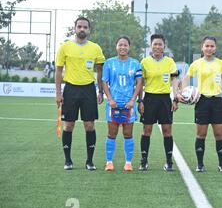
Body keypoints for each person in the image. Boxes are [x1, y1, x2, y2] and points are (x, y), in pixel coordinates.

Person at [55, 17, 105, 170]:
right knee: (68, 125)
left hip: (88, 90)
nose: (82, 29)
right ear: (75, 28)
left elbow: (100, 71)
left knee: (89, 125)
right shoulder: (65, 47)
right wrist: (58, 93)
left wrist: (100, 91)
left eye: (85, 27)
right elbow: (58, 70)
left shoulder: (95, 48)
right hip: (70, 89)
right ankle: (68, 161)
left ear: (89, 30)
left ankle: (89, 161)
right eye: (79, 26)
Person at [178, 36, 222, 173]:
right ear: (202, 47)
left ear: (215, 48)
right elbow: (185, 79)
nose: (209, 48)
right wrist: (183, 93)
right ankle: (200, 164)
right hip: (202, 101)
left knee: (219, 134)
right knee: (201, 134)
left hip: (217, 101)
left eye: (212, 46)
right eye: (206, 46)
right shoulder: (196, 64)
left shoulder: (221, 64)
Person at [138, 34, 180, 171]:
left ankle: (169, 162)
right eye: (155, 44)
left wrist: (175, 98)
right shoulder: (144, 62)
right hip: (149, 98)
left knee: (167, 131)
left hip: (164, 99)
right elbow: (140, 82)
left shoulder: (169, 62)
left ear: (164, 46)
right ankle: (143, 161)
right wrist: (140, 100)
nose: (157, 47)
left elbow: (174, 80)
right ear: (151, 46)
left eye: (160, 44)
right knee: (147, 130)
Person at [102, 36, 143, 172]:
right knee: (111, 133)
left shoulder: (135, 63)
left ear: (129, 47)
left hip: (128, 105)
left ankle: (128, 163)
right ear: (116, 47)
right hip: (113, 104)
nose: (123, 47)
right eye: (120, 45)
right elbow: (104, 82)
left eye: (125, 45)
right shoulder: (109, 63)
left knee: (128, 133)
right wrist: (110, 99)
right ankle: (109, 162)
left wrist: (133, 100)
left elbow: (139, 83)